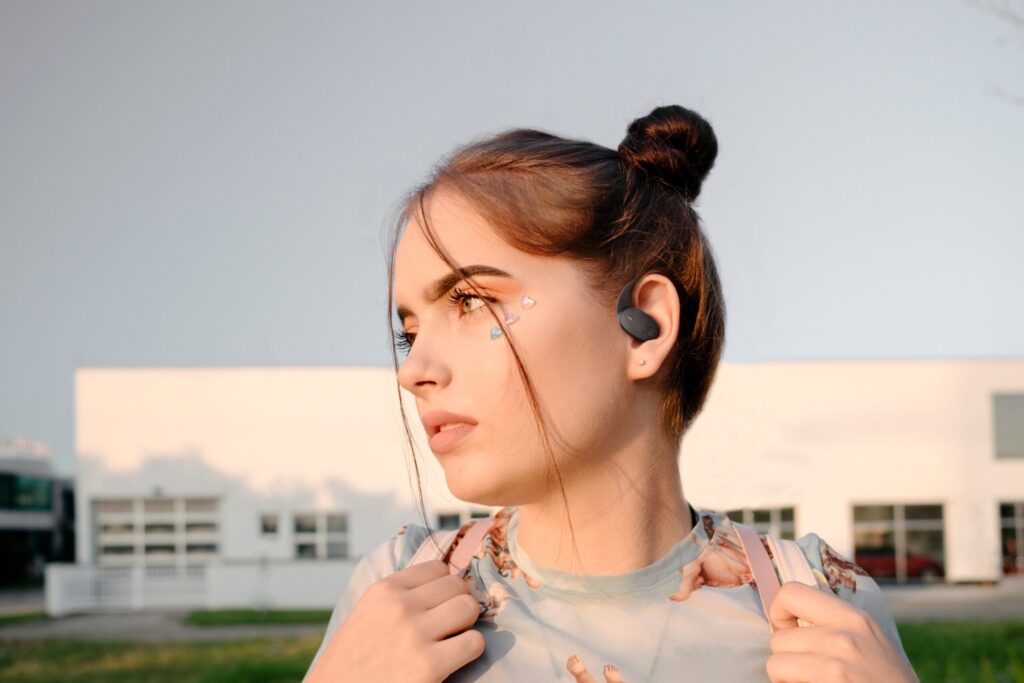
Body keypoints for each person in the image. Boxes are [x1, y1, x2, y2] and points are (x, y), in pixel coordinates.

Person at [303, 105, 919, 682]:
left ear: (643, 326)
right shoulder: (400, 595)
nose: (414, 371)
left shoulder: (822, 603)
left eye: (470, 301)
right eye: (408, 334)